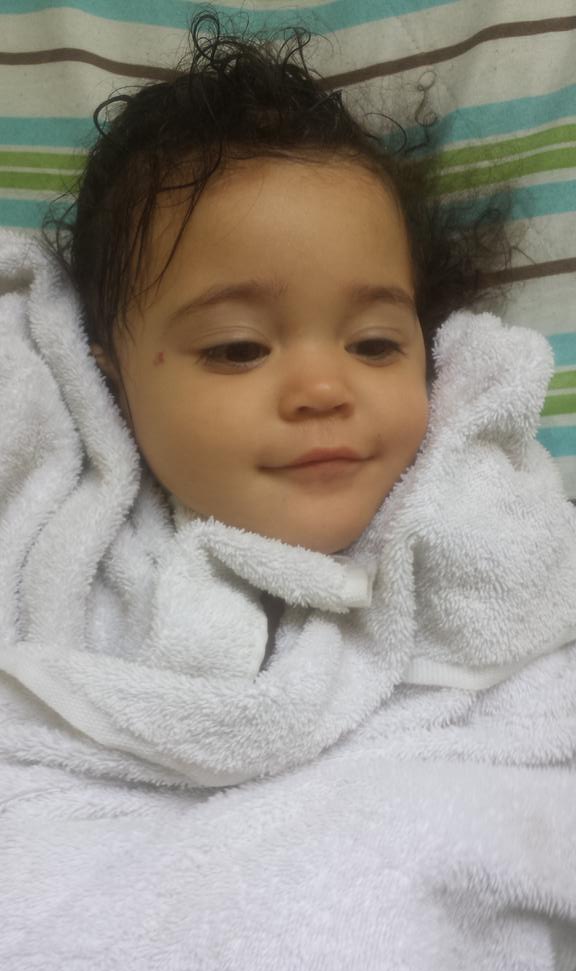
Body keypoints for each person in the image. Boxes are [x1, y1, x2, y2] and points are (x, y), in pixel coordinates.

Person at [43, 4, 515, 557]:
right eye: (238, 348)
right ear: (111, 386)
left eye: (374, 344)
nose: (323, 391)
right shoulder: (64, 550)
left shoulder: (495, 523)